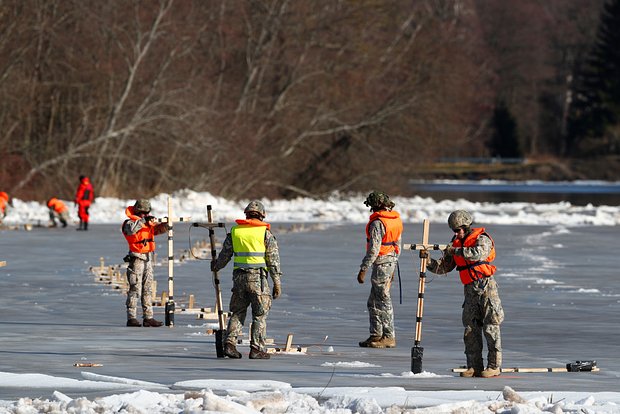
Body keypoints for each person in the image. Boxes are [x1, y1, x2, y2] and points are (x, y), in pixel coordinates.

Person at [424, 210, 504, 378]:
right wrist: (428, 261)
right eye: (454, 230)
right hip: (469, 289)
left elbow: (477, 254)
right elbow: (444, 267)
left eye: (459, 229)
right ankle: (474, 366)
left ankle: (493, 366)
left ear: (467, 226)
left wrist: (456, 251)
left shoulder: (482, 239)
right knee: (470, 328)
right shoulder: (455, 243)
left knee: (491, 326)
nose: (457, 233)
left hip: (486, 287)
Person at [211, 200, 283, 359]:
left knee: (237, 312)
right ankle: (257, 348)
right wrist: (277, 282)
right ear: (262, 215)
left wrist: (216, 266)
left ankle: (230, 344)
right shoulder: (265, 233)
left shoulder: (235, 232)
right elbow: (273, 260)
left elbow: (225, 255)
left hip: (239, 279)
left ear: (246, 214)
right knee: (260, 314)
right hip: (258, 279)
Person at [357, 191, 403, 348]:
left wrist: (364, 268)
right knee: (373, 301)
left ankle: (389, 336)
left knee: (383, 299)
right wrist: (394, 264)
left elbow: (374, 249)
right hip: (389, 261)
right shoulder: (395, 220)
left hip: (382, 262)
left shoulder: (378, 223)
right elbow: (398, 245)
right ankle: (376, 334)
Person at [121, 199, 168, 327]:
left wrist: (165, 225)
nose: (145, 215)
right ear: (137, 211)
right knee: (135, 288)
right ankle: (131, 317)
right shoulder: (129, 223)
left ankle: (148, 317)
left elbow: (155, 231)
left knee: (147, 288)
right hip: (136, 258)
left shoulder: (145, 222)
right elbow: (131, 230)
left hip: (148, 258)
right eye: (143, 213)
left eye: (147, 213)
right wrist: (143, 221)